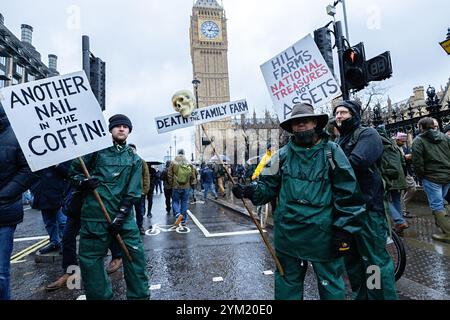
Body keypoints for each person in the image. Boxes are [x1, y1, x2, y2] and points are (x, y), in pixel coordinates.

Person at [233, 103, 365, 300]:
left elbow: (349, 194)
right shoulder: (280, 156)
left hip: (324, 234)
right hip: (289, 235)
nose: (301, 125)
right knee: (288, 286)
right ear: (292, 127)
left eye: (305, 121)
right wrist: (248, 191)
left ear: (315, 123)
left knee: (330, 285)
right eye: (296, 122)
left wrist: (344, 229)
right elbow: (266, 187)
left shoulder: (331, 152)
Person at [69, 114, 149, 300]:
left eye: (125, 126)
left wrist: (120, 216)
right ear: (110, 129)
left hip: (124, 220)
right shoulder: (94, 151)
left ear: (129, 131)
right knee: (91, 261)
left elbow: (133, 191)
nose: (121, 129)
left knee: (135, 258)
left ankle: (140, 297)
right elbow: (73, 174)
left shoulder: (134, 159)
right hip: (94, 217)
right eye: (117, 126)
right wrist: (83, 183)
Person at [333, 100, 398, 300]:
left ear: (354, 114)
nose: (338, 116)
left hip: (368, 209)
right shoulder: (338, 142)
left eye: (343, 112)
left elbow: (357, 161)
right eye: (336, 113)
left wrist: (329, 165)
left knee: (373, 263)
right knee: (352, 263)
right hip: (346, 212)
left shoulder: (368, 134)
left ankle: (379, 297)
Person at [0, 104, 37, 300]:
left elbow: (29, 170)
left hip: (3, 212)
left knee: (0, 272)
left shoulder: (16, 136)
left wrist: (4, 195)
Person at [412, 117, 450, 243]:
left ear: (421, 127)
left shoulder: (418, 140)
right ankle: (444, 226)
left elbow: (417, 162)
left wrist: (420, 175)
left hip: (431, 177)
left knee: (437, 204)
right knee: (442, 202)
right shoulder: (445, 137)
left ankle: (448, 233)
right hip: (447, 175)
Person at [30, 162, 71, 254]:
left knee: (63, 223)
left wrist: (58, 165)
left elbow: (69, 174)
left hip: (59, 194)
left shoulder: (61, 157)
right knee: (49, 223)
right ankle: (54, 243)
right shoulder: (35, 159)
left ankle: (66, 245)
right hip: (42, 195)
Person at [168, 149, 197, 226]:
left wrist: (171, 184)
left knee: (175, 201)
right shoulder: (188, 162)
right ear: (184, 154)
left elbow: (169, 175)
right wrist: (192, 183)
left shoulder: (173, 162)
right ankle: (183, 220)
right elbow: (192, 175)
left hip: (176, 186)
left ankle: (177, 214)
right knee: (184, 202)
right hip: (186, 186)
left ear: (178, 154)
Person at [394, 132, 416, 219]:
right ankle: (402, 211)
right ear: (397, 140)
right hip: (398, 173)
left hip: (406, 171)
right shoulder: (393, 148)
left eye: (404, 141)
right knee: (400, 192)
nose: (403, 143)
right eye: (402, 141)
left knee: (413, 188)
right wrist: (404, 158)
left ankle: (402, 206)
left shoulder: (404, 148)